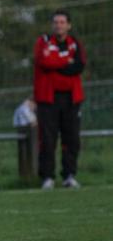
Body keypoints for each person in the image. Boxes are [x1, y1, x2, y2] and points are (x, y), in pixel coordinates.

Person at [33, 10, 86, 190]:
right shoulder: (44, 41)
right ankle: (47, 177)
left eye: (62, 22)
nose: (59, 25)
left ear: (68, 25)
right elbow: (45, 61)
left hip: (71, 98)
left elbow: (79, 66)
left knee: (71, 138)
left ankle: (69, 175)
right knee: (48, 139)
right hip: (48, 98)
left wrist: (60, 62)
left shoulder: (75, 43)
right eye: (56, 22)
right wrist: (65, 61)